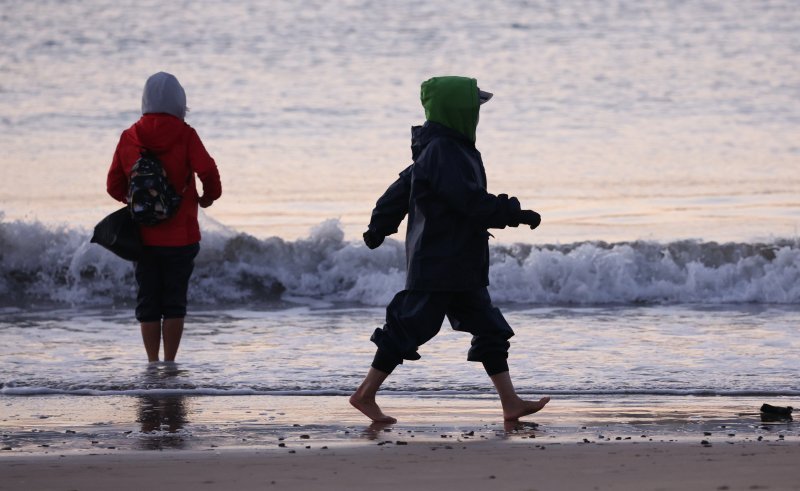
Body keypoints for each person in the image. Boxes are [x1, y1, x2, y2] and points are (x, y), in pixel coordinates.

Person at [350, 76, 549, 423]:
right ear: (457, 109)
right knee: (411, 326)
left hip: (459, 260)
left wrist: (379, 225)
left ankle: (511, 402)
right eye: (474, 107)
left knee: (489, 327)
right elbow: (469, 201)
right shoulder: (444, 150)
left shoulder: (444, 147)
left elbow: (400, 190)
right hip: (440, 260)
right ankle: (365, 394)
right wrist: (514, 213)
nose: (477, 114)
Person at [106, 72, 222, 363]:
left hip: (142, 236)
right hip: (182, 235)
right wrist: (207, 197)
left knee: (147, 300)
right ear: (179, 102)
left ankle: (152, 364)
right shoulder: (185, 134)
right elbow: (208, 170)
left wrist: (139, 203)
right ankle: (169, 363)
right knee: (174, 302)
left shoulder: (129, 136)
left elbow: (113, 185)